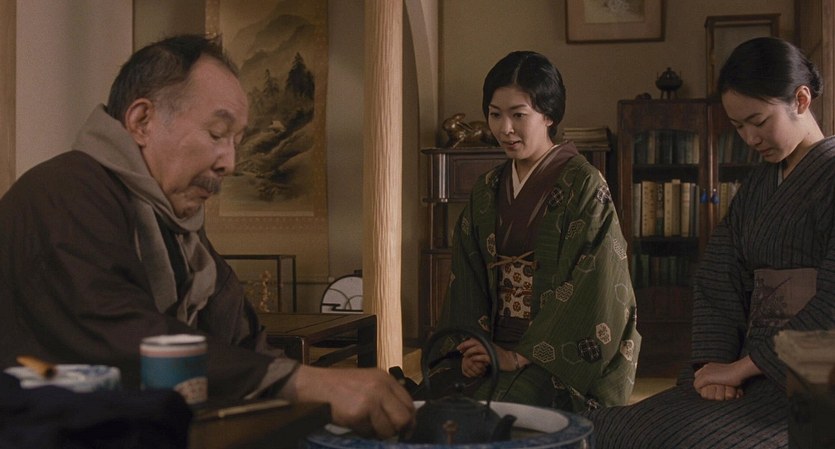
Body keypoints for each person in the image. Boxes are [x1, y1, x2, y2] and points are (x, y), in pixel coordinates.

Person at [0, 34, 413, 439]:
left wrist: (329, 386)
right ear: (141, 121)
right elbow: (117, 334)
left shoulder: (175, 221)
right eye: (217, 133)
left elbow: (241, 340)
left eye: (237, 141)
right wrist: (301, 383)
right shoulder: (62, 193)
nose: (229, 163)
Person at [587, 37, 835, 449]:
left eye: (758, 121)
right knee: (610, 427)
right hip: (747, 366)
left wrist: (746, 367)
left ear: (801, 100)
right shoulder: (758, 186)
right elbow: (719, 275)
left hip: (813, 377)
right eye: (738, 127)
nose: (750, 138)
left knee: (692, 441)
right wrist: (718, 364)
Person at [431, 51, 640, 412]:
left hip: (554, 354)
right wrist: (472, 349)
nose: (505, 128)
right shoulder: (487, 189)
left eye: (518, 115)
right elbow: (466, 278)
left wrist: (520, 355)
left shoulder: (584, 184)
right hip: (490, 344)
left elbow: (596, 282)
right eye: (495, 114)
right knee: (424, 404)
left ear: (549, 115)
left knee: (491, 412)